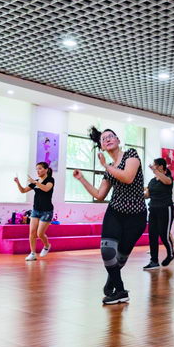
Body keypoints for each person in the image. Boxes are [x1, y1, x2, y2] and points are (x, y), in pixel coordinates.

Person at [73, 127, 146, 304]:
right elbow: (99, 195)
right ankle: (120, 290)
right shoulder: (110, 169)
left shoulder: (131, 155)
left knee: (120, 257)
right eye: (103, 139)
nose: (107, 140)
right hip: (115, 212)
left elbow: (128, 177)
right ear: (102, 147)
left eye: (110, 136)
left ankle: (112, 280)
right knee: (107, 251)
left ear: (118, 140)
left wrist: (106, 166)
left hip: (136, 216)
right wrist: (81, 179)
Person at [14, 162, 55, 261]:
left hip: (47, 211)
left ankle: (46, 245)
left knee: (40, 234)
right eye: (37, 169)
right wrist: (18, 183)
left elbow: (46, 189)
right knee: (32, 232)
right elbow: (23, 190)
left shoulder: (50, 180)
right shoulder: (35, 181)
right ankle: (32, 253)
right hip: (36, 210)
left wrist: (36, 182)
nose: (38, 171)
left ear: (46, 170)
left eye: (40, 168)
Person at [143, 158, 174, 270]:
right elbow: (147, 195)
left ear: (161, 167)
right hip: (153, 210)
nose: (153, 166)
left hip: (166, 209)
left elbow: (167, 182)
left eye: (155, 165)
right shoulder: (152, 181)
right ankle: (154, 261)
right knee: (152, 236)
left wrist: (155, 171)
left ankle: (170, 254)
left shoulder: (168, 178)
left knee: (164, 235)